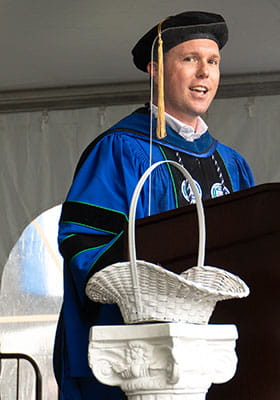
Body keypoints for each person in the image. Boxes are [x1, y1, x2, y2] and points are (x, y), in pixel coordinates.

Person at [53, 11, 254, 400]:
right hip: (138, 359)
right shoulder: (121, 150)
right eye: (189, 59)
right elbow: (84, 242)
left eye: (212, 62)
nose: (204, 73)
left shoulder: (232, 164)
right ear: (156, 70)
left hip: (212, 356)